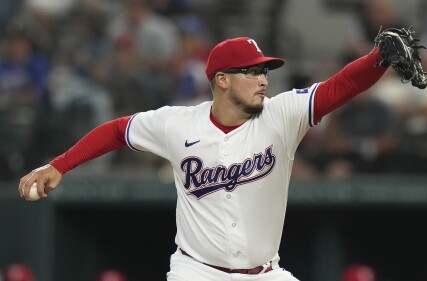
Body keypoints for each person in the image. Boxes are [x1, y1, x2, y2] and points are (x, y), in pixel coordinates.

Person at [19, 36, 390, 280]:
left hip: (265, 273)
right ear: (223, 80)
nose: (263, 80)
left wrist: (378, 59)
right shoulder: (177, 124)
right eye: (252, 71)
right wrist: (59, 165)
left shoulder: (282, 114)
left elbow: (338, 88)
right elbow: (117, 130)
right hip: (197, 271)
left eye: (264, 71)